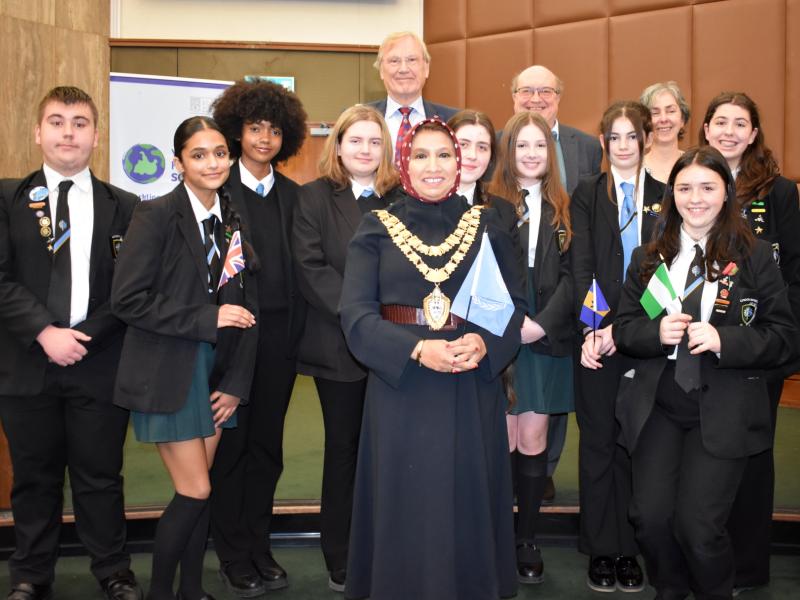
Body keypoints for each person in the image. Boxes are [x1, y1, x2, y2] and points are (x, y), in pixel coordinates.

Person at [339, 118, 526, 600]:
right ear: (403, 163)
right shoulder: (375, 226)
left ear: (460, 162)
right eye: (421, 155)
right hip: (403, 387)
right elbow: (356, 316)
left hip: (469, 382)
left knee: (467, 497)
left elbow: (514, 308)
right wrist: (417, 348)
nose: (433, 166)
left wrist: (485, 343)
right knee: (407, 500)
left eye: (444, 155)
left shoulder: (487, 224)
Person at [613, 146, 796, 600]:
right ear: (671, 194)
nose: (696, 198)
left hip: (725, 407)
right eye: (685, 187)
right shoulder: (648, 257)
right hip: (661, 404)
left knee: (698, 526)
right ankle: (670, 590)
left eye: (708, 187)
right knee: (649, 518)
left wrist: (724, 340)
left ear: (726, 192)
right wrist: (656, 333)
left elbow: (785, 337)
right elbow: (624, 328)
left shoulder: (754, 256)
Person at [0, 86, 141, 600]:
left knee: (100, 475)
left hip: (97, 361)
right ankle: (31, 574)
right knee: (34, 478)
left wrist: (82, 338)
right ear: (38, 133)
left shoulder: (125, 207)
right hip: (25, 362)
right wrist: (44, 331)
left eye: (80, 122)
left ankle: (113, 570)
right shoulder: (7, 198)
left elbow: (131, 291)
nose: (68, 132)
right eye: (57, 121)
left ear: (97, 136)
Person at [111, 116, 258, 600]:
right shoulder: (154, 215)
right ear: (178, 163)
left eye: (219, 152)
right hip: (167, 371)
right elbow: (128, 300)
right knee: (196, 491)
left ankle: (191, 592)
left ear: (230, 158)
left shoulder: (232, 216)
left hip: (215, 373)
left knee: (199, 493)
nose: (211, 162)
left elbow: (246, 309)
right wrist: (205, 319)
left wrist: (237, 383)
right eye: (198, 154)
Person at [209, 79, 308, 596]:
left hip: (280, 345)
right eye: (254, 128)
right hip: (230, 347)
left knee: (268, 449)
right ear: (236, 131)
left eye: (273, 129)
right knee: (232, 449)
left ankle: (258, 544)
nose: (264, 138)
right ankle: (231, 552)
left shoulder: (297, 197)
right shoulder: (217, 192)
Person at [292, 104, 398, 592]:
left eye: (375, 142)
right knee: (345, 451)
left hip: (396, 348)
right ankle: (340, 550)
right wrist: (363, 318)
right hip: (339, 347)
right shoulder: (313, 198)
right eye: (356, 140)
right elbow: (311, 268)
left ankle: (386, 543)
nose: (365, 150)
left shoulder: (398, 199)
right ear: (337, 145)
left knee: (389, 450)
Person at [700, 91, 800, 591]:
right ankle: (705, 554)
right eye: (721, 122)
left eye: (741, 123)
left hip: (760, 345)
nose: (730, 132)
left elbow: (795, 269)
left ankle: (748, 566)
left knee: (755, 455)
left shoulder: (779, 192)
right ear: (706, 128)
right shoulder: (694, 182)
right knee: (710, 452)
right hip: (704, 343)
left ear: (755, 133)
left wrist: (787, 335)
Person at [571, 100, 663, 592]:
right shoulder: (588, 193)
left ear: (646, 140)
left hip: (644, 338)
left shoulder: (669, 195)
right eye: (616, 136)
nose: (624, 145)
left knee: (637, 446)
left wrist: (628, 329)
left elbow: (667, 275)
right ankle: (601, 549)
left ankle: (630, 550)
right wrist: (593, 328)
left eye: (633, 136)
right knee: (599, 443)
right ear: (603, 142)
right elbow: (582, 263)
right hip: (593, 340)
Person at [488, 111, 575, 585]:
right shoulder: (490, 204)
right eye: (521, 145)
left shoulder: (567, 206)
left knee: (534, 439)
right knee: (501, 438)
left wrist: (541, 326)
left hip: (547, 335)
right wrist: (509, 324)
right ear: (509, 152)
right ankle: (498, 536)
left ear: (551, 152)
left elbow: (576, 277)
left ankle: (526, 539)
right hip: (501, 335)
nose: (531, 154)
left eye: (539, 145)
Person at [509, 65, 602, 499]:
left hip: (555, 317)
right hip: (504, 318)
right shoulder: (495, 193)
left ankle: (542, 479)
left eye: (545, 90)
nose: (535, 98)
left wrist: (545, 321)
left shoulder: (585, 150)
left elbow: (575, 265)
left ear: (560, 97)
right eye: (526, 90)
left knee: (543, 423)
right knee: (505, 430)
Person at [368, 31, 458, 160]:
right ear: (381, 71)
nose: (403, 69)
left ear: (426, 68)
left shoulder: (453, 121)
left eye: (412, 60)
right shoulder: (358, 120)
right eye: (394, 61)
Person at [447, 109, 518, 235]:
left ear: (491, 156)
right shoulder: (416, 203)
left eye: (482, 147)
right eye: (463, 144)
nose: (472, 155)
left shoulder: (504, 212)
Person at [640, 81, 690, 183]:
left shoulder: (695, 166)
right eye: (655, 113)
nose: (663, 119)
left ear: (682, 119)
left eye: (671, 111)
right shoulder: (634, 170)